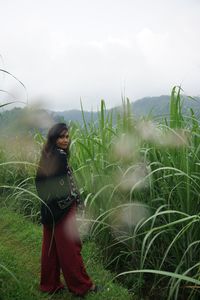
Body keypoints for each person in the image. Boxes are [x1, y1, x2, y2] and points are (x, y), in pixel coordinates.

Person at [35, 123, 97, 297]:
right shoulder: (60, 156)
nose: (64, 140)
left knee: (51, 248)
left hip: (50, 210)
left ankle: (49, 284)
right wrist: (68, 201)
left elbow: (40, 183)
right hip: (62, 210)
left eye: (67, 136)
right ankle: (82, 286)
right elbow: (61, 185)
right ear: (54, 138)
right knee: (71, 249)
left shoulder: (47, 155)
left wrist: (50, 203)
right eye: (61, 137)